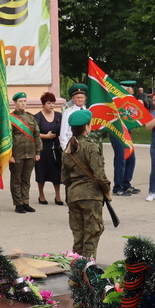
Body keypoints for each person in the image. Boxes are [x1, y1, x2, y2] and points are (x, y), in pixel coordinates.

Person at [61, 110, 110, 259]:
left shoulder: (68, 149)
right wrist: (106, 189)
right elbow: (99, 175)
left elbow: (64, 178)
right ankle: (87, 269)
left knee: (78, 235)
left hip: (74, 195)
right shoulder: (91, 147)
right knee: (92, 234)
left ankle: (76, 266)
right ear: (87, 127)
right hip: (91, 196)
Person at [9, 93, 40, 213]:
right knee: (16, 179)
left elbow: (37, 135)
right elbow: (7, 138)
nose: (23, 103)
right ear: (15, 103)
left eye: (24, 101)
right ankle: (18, 204)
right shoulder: (10, 118)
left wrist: (38, 151)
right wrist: (9, 155)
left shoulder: (31, 118)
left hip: (30, 153)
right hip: (17, 154)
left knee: (26, 179)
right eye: (20, 101)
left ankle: (26, 202)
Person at [110, 80, 140, 196]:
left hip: (127, 134)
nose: (132, 93)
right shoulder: (116, 102)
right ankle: (117, 187)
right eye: (130, 91)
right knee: (120, 160)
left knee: (131, 159)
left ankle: (126, 184)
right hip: (117, 134)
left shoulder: (129, 102)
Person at [34, 92, 63, 206]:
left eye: (53, 103)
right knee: (41, 171)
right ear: (43, 104)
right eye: (48, 103)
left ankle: (58, 196)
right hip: (42, 148)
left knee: (57, 172)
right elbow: (34, 133)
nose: (51, 105)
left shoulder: (59, 116)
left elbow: (63, 131)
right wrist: (46, 136)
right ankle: (41, 195)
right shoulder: (37, 117)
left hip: (56, 148)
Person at [58, 83, 89, 150]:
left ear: (85, 98)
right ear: (73, 98)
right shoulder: (68, 112)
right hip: (72, 145)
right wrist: (65, 149)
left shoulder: (88, 112)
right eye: (77, 98)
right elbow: (63, 133)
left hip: (86, 146)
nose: (80, 100)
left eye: (82, 97)